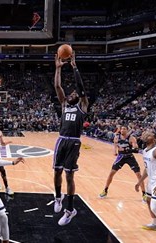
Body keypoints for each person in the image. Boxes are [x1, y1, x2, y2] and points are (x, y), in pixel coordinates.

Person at [53, 52, 88, 226]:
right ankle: (58, 198)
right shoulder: (65, 105)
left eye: (74, 93)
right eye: (71, 93)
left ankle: (70, 209)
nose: (71, 93)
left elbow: (81, 89)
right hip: (61, 140)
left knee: (69, 176)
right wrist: (58, 69)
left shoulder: (82, 106)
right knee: (57, 171)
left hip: (74, 141)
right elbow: (58, 87)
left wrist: (74, 67)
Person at [99, 125, 146, 201]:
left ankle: (144, 193)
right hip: (120, 157)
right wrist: (115, 151)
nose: (122, 130)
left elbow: (136, 149)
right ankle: (105, 190)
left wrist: (127, 149)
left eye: (124, 129)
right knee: (111, 173)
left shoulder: (131, 138)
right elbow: (115, 144)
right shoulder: (117, 137)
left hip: (129, 157)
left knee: (139, 175)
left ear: (127, 130)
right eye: (121, 129)